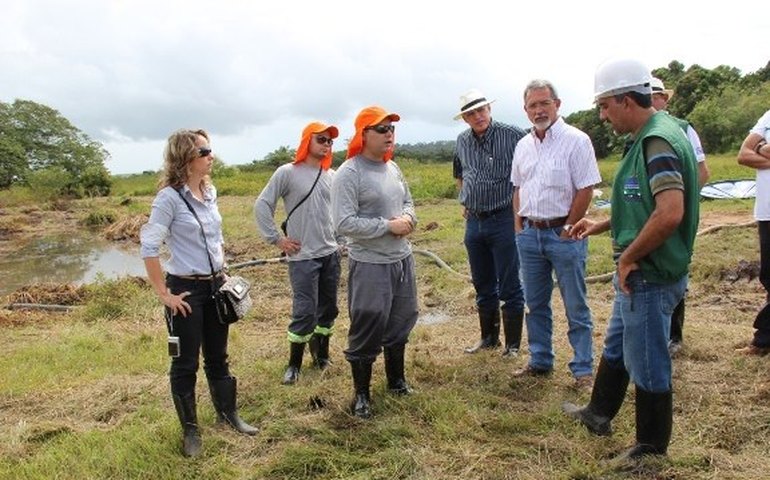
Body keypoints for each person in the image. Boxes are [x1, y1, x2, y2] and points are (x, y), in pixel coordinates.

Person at [561, 58, 699, 464]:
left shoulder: (657, 142)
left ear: (625, 100)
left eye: (605, 106)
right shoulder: (653, 135)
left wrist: (628, 258)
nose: (602, 115)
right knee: (619, 344)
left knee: (648, 360)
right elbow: (643, 204)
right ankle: (598, 413)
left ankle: (651, 448)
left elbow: (670, 212)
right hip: (643, 271)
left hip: (648, 273)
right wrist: (603, 223)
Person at [140, 129, 257, 458]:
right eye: (204, 151)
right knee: (185, 363)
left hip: (215, 285)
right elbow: (149, 247)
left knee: (218, 357)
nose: (211, 156)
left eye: (210, 150)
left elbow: (214, 238)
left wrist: (224, 269)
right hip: (186, 290)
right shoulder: (168, 199)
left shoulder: (210, 191)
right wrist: (165, 294)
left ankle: (228, 414)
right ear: (185, 158)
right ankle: (191, 432)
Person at [511, 79, 601, 389]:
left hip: (564, 233)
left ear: (557, 104)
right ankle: (540, 360)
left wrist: (568, 227)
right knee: (534, 303)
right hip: (530, 235)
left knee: (575, 304)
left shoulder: (576, 141)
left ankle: (583, 370)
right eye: (533, 105)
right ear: (525, 110)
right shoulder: (523, 146)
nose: (538, 110)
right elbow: (518, 187)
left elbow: (586, 186)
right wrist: (518, 226)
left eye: (544, 103)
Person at [331, 105, 418, 419]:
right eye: (382, 129)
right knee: (368, 321)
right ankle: (362, 395)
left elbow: (408, 201)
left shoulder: (392, 168)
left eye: (392, 129)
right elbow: (342, 223)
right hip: (370, 263)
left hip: (402, 259)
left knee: (403, 318)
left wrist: (408, 217)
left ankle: (396, 381)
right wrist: (386, 226)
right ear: (363, 134)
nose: (389, 135)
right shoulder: (349, 173)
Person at [255, 122, 342, 384]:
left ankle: (321, 355)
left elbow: (340, 212)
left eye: (329, 141)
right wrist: (277, 239)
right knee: (305, 310)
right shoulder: (287, 173)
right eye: (321, 139)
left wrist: (342, 240)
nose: (326, 144)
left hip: (330, 253)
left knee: (328, 309)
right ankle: (294, 364)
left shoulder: (333, 176)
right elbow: (263, 204)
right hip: (303, 256)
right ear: (307, 141)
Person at [452, 88, 526, 357]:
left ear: (489, 110)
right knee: (482, 282)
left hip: (505, 216)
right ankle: (489, 338)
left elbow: (532, 168)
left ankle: (513, 345)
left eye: (481, 110)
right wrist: (465, 198)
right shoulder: (462, 141)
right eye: (471, 113)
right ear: (464, 118)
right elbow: (460, 171)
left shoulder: (515, 135)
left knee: (509, 283)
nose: (478, 116)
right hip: (474, 220)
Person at [650, 76, 711, 355]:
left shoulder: (683, 129)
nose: (651, 100)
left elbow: (702, 171)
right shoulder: (639, 133)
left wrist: (678, 203)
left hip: (675, 212)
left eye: (656, 95)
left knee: (675, 268)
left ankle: (674, 335)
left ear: (664, 99)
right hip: (649, 213)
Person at [736, 109, 770, 356]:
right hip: (767, 212)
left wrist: (762, 150)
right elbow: (743, 155)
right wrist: (759, 150)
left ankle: (763, 339)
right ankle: (765, 340)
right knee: (769, 277)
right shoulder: (768, 117)